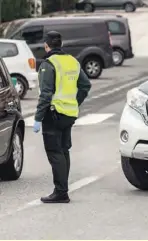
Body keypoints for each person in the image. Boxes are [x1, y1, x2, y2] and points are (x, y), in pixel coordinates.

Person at [33, 31, 91, 203]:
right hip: (69, 114)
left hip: (53, 114)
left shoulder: (48, 64)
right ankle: (63, 189)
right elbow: (85, 85)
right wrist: (75, 102)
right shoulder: (72, 61)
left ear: (46, 45)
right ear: (61, 44)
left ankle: (61, 192)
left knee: (54, 152)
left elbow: (45, 94)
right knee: (64, 150)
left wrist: (37, 118)